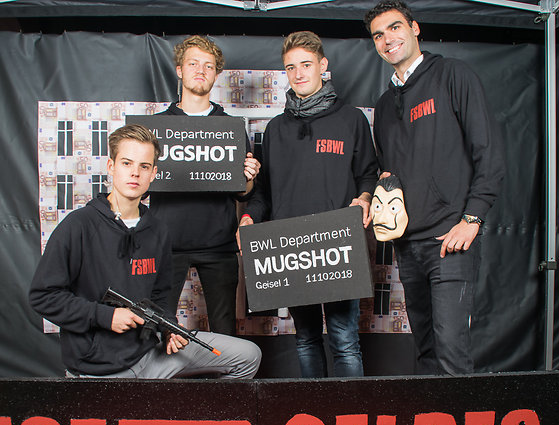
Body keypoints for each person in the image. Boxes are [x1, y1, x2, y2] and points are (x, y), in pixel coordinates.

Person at [29, 124, 261, 379]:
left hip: (151, 356)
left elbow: (160, 297)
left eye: (144, 166)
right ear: (111, 167)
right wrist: (105, 316)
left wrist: (170, 329)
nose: (135, 173)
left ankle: (193, 406)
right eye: (127, 163)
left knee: (248, 355)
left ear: (153, 174)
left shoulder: (158, 230)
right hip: (98, 371)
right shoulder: (78, 226)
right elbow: (43, 296)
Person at [365, 1, 504, 375]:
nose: (388, 39)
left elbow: (489, 153)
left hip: (449, 239)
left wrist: (472, 219)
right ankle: (432, 415)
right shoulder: (384, 105)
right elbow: (391, 174)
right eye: (378, 35)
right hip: (408, 246)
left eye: (395, 27)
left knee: (451, 351)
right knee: (425, 350)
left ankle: (459, 416)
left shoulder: (453, 75)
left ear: (414, 28)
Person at [239, 31, 378, 378]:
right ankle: (314, 408)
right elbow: (264, 191)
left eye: (306, 64)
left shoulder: (351, 119)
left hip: (338, 245)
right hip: (292, 250)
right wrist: (249, 217)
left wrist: (364, 198)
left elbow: (367, 174)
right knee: (306, 339)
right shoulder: (275, 129)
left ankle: (351, 409)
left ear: (322, 65)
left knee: (345, 339)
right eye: (291, 67)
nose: (298, 73)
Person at [148, 35, 261, 336]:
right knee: (157, 329)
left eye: (209, 66)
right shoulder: (155, 128)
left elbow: (244, 193)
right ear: (179, 70)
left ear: (216, 74)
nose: (201, 70)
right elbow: (141, 186)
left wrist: (249, 177)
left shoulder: (230, 127)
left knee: (225, 333)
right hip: (165, 243)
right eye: (193, 63)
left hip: (219, 244)